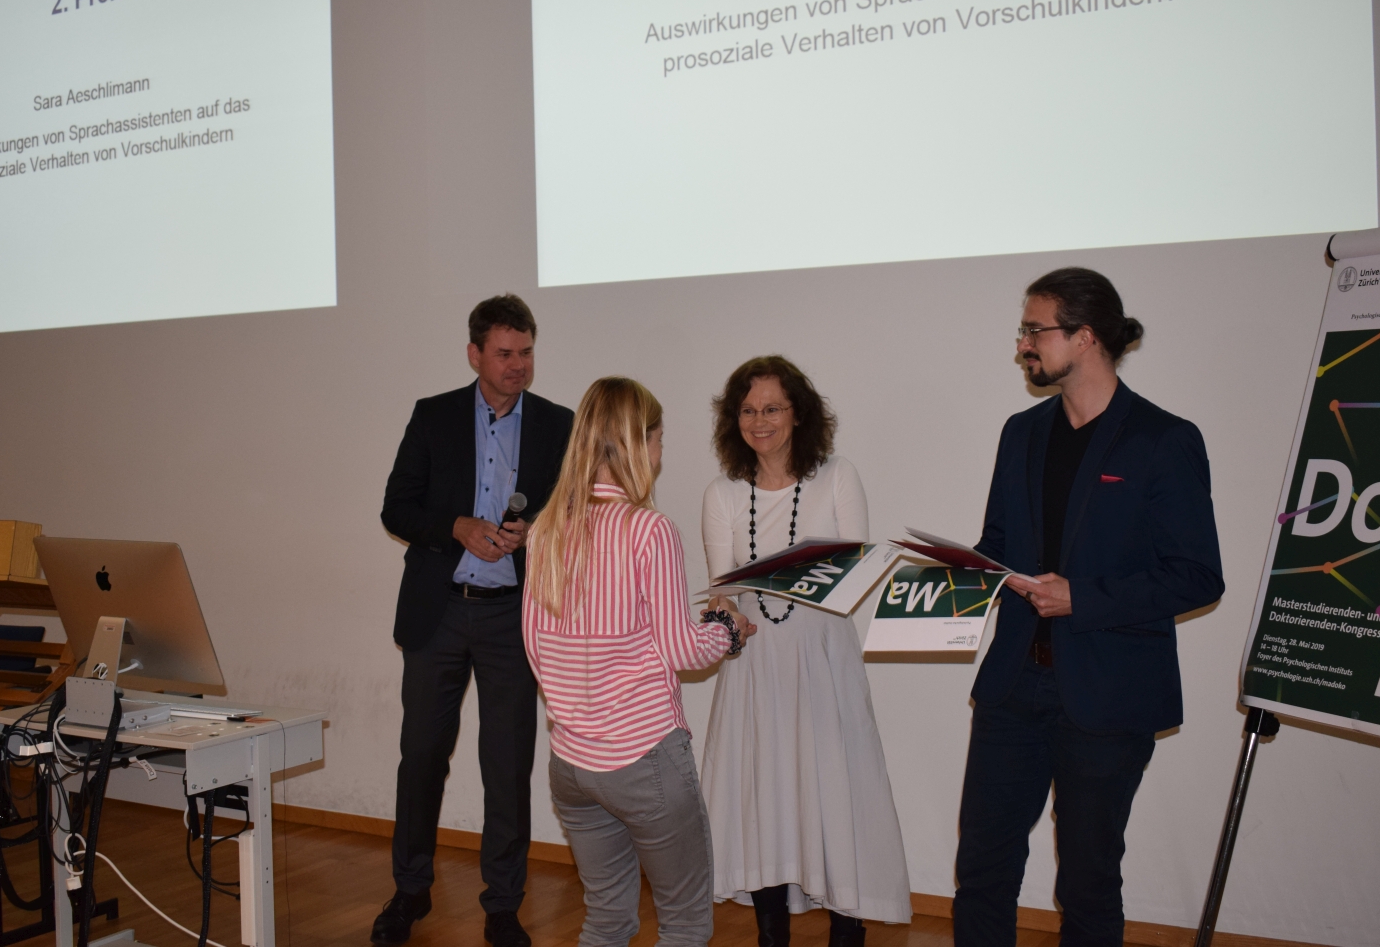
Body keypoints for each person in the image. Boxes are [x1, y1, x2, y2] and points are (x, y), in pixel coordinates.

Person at [953, 268, 1224, 946]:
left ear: (1085, 337)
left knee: (1087, 883)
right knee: (981, 869)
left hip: (1108, 695)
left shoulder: (1162, 440)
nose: (1023, 346)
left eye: (1034, 331)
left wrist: (1084, 598)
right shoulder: (1021, 433)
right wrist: (948, 574)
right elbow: (997, 545)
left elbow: (1197, 576)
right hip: (1014, 684)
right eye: (1023, 331)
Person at [522, 376, 756, 947]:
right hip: (645, 758)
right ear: (634, 442)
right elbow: (682, 650)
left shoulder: (546, 529)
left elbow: (534, 646)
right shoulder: (650, 530)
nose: (660, 452)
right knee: (684, 923)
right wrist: (726, 628)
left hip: (571, 763)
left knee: (606, 920)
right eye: (658, 438)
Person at [373, 294, 575, 947]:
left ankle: (503, 905)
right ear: (475, 355)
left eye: (527, 353)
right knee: (422, 757)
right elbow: (396, 508)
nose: (518, 365)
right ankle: (410, 891)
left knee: (507, 766)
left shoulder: (558, 424)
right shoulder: (433, 416)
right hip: (439, 612)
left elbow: (576, 516)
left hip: (512, 617)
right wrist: (457, 526)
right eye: (505, 353)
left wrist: (535, 532)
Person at [699, 356, 911, 947]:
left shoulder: (838, 475)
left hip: (824, 661)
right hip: (755, 666)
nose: (759, 421)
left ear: (799, 414)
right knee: (762, 797)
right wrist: (725, 613)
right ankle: (772, 935)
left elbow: (853, 574)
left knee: (838, 791)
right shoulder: (721, 493)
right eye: (747, 410)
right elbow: (722, 591)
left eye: (772, 408)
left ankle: (848, 929)